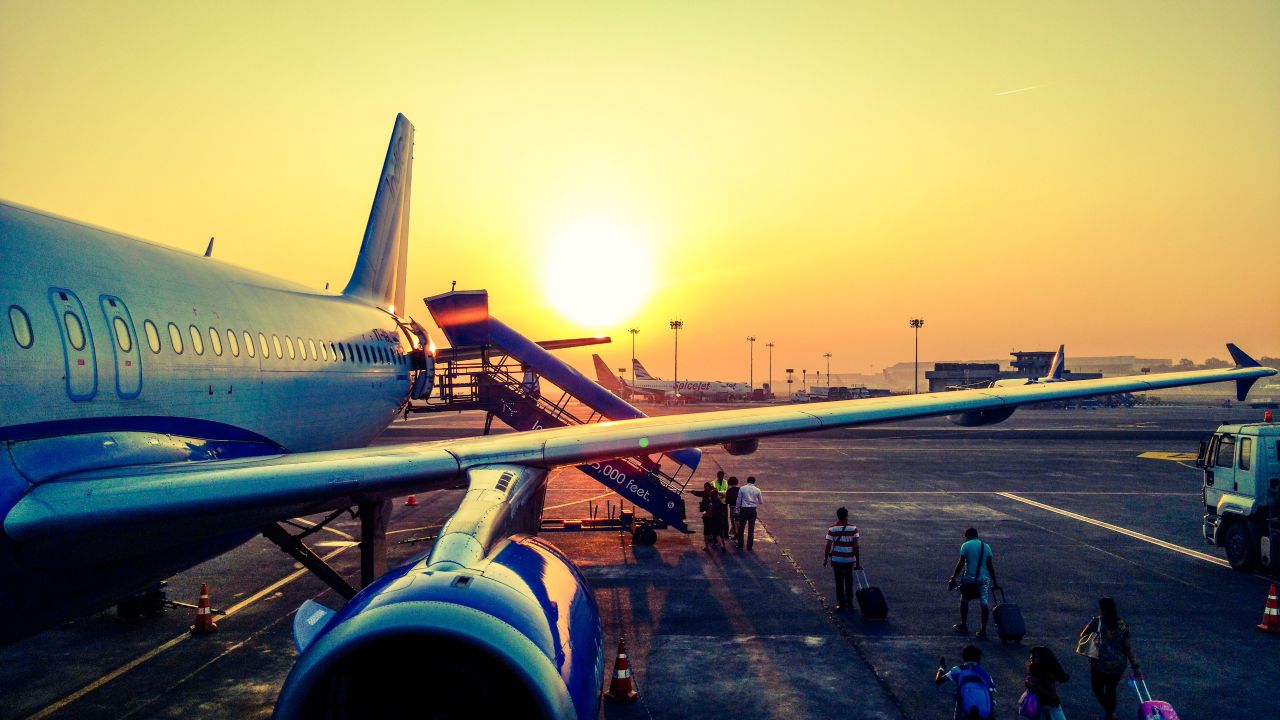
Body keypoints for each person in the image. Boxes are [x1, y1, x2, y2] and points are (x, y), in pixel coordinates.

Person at [1077, 597, 1139, 720]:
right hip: (1118, 664)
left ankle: (1110, 713)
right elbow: (1128, 647)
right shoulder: (1122, 624)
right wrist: (1135, 666)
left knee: (1097, 689)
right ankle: (1110, 714)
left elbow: (1083, 635)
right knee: (1111, 688)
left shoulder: (1097, 622)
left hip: (1100, 663)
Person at [947, 528, 999, 639]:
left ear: (967, 536)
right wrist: (995, 582)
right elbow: (990, 566)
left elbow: (961, 563)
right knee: (984, 603)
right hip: (984, 578)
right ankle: (983, 630)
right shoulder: (986, 546)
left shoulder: (966, 545)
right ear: (977, 535)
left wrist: (954, 577)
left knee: (964, 600)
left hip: (970, 578)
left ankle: (964, 625)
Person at [934, 644, 996, 720]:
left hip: (964, 710)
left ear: (963, 657)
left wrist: (941, 668)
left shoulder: (957, 670)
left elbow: (938, 681)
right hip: (984, 711)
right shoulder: (984, 673)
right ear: (978, 658)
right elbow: (991, 692)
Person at [823, 507, 861, 611]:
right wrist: (857, 562)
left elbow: (828, 545)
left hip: (837, 560)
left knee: (839, 582)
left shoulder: (832, 529)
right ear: (846, 516)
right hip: (849, 560)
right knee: (849, 581)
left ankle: (841, 603)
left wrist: (826, 559)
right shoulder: (853, 528)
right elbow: (856, 546)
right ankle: (850, 603)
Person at [1023, 645, 1069, 720]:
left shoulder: (1048, 674)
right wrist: (1028, 683)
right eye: (1031, 655)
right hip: (1040, 706)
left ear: (1042, 658)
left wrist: (1035, 686)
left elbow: (1052, 694)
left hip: (1049, 708)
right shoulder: (1034, 668)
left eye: (1034, 655)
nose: (1031, 657)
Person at [735, 476, 762, 550]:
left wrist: (737, 508)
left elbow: (739, 499)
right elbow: (760, 501)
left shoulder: (742, 488)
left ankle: (740, 545)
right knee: (751, 529)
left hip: (744, 509)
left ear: (747, 481)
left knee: (741, 528)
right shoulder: (757, 490)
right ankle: (749, 546)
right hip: (753, 510)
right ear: (754, 482)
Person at [698, 481, 725, 552]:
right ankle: (722, 546)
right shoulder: (719, 501)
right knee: (717, 533)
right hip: (717, 519)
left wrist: (704, 514)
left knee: (706, 533)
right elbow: (722, 511)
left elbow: (703, 510)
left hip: (708, 519)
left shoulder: (708, 501)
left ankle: (707, 547)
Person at [712, 471, 730, 539]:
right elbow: (714, 492)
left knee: (725, 519)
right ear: (717, 476)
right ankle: (717, 534)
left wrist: (720, 493)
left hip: (724, 503)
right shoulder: (713, 482)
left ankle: (726, 534)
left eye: (722, 477)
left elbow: (727, 491)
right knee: (717, 519)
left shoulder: (726, 482)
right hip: (717, 504)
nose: (721, 478)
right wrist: (723, 493)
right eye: (720, 477)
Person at [725, 476, 741, 542]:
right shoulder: (740, 489)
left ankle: (736, 535)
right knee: (738, 522)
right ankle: (738, 535)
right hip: (739, 508)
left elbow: (727, 501)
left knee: (733, 522)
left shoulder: (729, 490)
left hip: (732, 508)